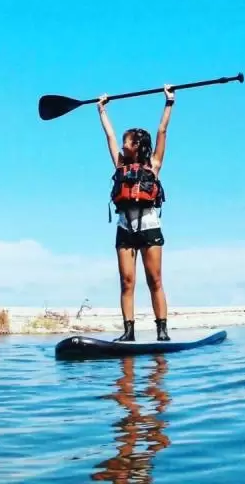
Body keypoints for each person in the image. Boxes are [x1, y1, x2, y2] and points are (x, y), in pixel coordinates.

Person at [96, 84, 175, 342]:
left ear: (137, 145)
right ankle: (128, 332)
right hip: (124, 228)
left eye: (126, 140)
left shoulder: (153, 165)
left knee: (155, 281)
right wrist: (102, 111)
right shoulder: (120, 164)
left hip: (150, 226)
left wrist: (169, 102)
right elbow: (109, 137)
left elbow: (162, 130)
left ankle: (161, 331)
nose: (122, 142)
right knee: (127, 282)